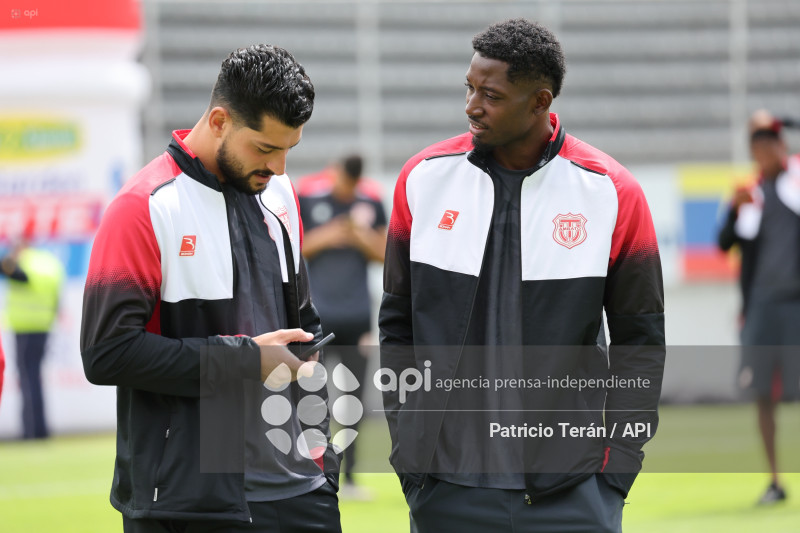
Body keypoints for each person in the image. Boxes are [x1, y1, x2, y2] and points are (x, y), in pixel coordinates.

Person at [379, 19, 665, 532]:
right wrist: (410, 452)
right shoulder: (423, 179)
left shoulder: (611, 192)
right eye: (469, 88)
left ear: (540, 101)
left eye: (490, 94)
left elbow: (639, 341)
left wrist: (617, 468)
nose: (471, 106)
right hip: (446, 491)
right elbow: (398, 326)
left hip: (572, 494)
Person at [80, 44, 342, 532]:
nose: (280, 167)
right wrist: (243, 361)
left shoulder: (279, 193)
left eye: (290, 149)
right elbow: (106, 354)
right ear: (219, 120)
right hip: (189, 503)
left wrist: (322, 462)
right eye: (265, 148)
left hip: (301, 493)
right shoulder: (144, 207)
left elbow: (304, 327)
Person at [718, 109, 800, 505]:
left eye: (771, 141)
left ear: (783, 145)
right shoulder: (748, 194)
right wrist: (734, 209)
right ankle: (774, 480)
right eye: (758, 143)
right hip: (763, 307)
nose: (765, 149)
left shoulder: (797, 184)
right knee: (762, 393)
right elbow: (722, 244)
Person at [297, 154, 387, 498]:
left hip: (357, 319)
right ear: (335, 175)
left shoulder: (371, 201)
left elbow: (384, 254)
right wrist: (332, 234)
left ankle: (348, 480)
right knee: (311, 401)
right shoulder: (311, 198)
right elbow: (298, 247)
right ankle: (312, 476)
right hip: (318, 319)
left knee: (353, 403)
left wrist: (358, 235)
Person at [1, 238, 65, 439]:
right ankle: (41, 429)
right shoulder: (49, 263)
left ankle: (31, 431)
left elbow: (8, 270)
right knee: (35, 379)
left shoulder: (23, 262)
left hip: (25, 328)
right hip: (44, 326)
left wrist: (11, 258)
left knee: (28, 381)